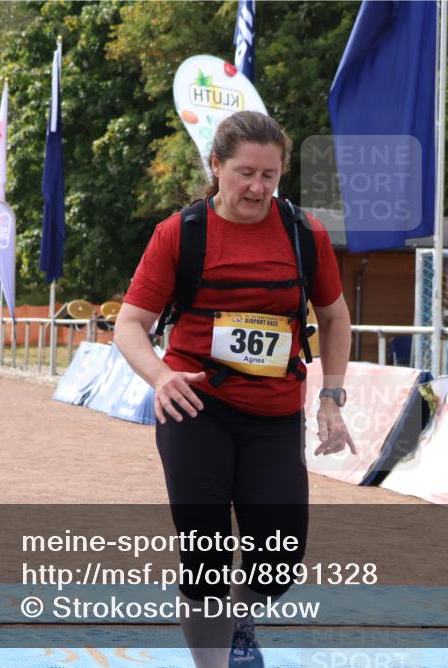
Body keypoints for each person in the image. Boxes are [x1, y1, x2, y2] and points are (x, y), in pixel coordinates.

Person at [113, 111, 355, 668]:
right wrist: (160, 376)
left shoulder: (304, 233)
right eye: (246, 173)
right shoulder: (180, 233)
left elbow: (336, 319)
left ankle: (237, 616)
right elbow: (130, 325)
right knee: (206, 554)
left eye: (270, 175)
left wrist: (330, 396)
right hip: (195, 406)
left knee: (282, 557)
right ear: (216, 166)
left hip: (272, 414)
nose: (258, 187)